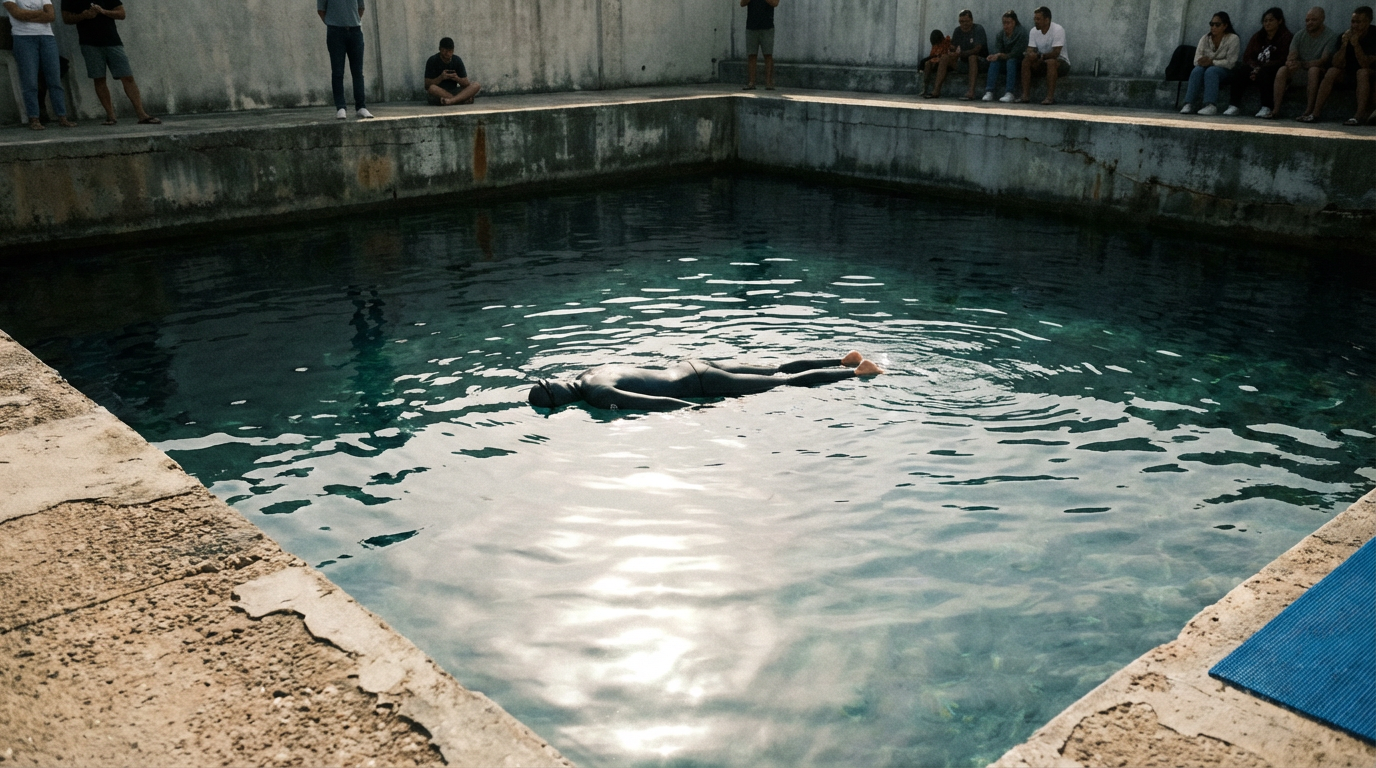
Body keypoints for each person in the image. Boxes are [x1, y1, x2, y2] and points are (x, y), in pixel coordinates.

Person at [528, 351, 883, 411]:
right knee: (775, 369)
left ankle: (855, 372)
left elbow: (659, 404)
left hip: (699, 386)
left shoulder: (597, 396)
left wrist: (696, 411)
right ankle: (842, 358)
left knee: (784, 384)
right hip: (691, 364)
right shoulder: (587, 373)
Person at [60, 0, 158, 125]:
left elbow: (121, 14)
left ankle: (142, 114)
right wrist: (84, 15)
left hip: (113, 42)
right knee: (99, 79)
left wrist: (103, 11)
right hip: (89, 44)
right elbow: (66, 18)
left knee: (127, 77)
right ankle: (111, 116)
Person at [3, 0, 75, 129]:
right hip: (23, 37)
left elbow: (51, 16)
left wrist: (28, 14)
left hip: (47, 37)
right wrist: (41, 13)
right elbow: (17, 14)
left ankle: (62, 117)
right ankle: (34, 118)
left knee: (54, 80)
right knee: (29, 81)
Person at [1308, 6, 1375, 123]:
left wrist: (1356, 45)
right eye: (1353, 21)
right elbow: (1336, 63)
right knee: (1332, 71)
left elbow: (1365, 64)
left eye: (1359, 22)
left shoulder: (1374, 36)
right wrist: (1344, 45)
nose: (1354, 25)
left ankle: (1359, 115)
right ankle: (1315, 113)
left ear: (1368, 22)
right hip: (1349, 73)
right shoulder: (1344, 35)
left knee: (1362, 72)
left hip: (1370, 75)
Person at [1275, 7, 1339, 120]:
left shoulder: (1331, 36)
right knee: (1282, 70)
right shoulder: (1299, 35)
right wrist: (1291, 62)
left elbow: (1323, 60)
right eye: (1307, 20)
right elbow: (1292, 54)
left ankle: (1309, 110)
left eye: (1313, 20)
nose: (1309, 23)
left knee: (1313, 70)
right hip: (1300, 71)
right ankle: (1275, 110)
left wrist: (1301, 64)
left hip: (1318, 73)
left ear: (1322, 19)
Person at [317, 0, 372, 120]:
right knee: (337, 72)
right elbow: (321, 10)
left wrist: (353, 21)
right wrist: (333, 23)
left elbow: (361, 7)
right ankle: (340, 107)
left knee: (358, 72)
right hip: (335, 32)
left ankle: (361, 107)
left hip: (355, 31)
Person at [1180, 12, 1240, 115]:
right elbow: (1196, 60)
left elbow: (1230, 63)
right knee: (1197, 70)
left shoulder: (1233, 39)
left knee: (1211, 71)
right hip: (1206, 68)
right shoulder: (1205, 38)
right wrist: (1203, 62)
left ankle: (1210, 105)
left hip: (1226, 71)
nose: (1213, 27)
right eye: (1211, 24)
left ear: (1225, 25)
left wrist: (1212, 62)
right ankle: (1189, 103)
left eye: (1217, 24)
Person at [1237, 8, 1293, 117]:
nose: (1267, 23)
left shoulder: (1286, 37)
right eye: (1265, 21)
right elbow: (1247, 56)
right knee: (1241, 71)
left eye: (1271, 20)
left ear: (1280, 21)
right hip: (1257, 67)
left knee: (1265, 73)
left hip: (1273, 69)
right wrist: (1255, 67)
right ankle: (1234, 105)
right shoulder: (1258, 36)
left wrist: (1261, 68)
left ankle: (1266, 107)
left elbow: (1283, 59)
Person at [926, 9, 987, 100]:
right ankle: (936, 90)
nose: (964, 24)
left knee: (972, 57)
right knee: (945, 57)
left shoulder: (978, 29)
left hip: (980, 63)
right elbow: (953, 47)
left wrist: (960, 54)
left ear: (972, 20)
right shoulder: (957, 31)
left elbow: (977, 49)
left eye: (966, 21)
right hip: (963, 62)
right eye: (961, 21)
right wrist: (952, 52)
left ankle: (971, 92)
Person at [1020, 6, 1070, 104]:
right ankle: (1025, 96)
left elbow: (1056, 53)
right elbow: (1030, 49)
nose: (1035, 21)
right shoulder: (1033, 31)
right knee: (1026, 61)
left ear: (1047, 20)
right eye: (1035, 19)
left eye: (1038, 19)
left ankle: (1049, 98)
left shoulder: (1058, 30)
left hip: (1061, 63)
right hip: (1042, 61)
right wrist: (1030, 54)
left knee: (1051, 62)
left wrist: (1040, 56)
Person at [984, 10, 1028, 101]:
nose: (1006, 26)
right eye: (1004, 23)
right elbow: (997, 50)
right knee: (994, 62)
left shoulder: (1021, 33)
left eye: (1008, 23)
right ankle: (989, 92)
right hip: (1005, 61)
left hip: (1018, 63)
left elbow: (1016, 53)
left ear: (1014, 22)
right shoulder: (1001, 34)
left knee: (1011, 61)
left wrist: (1000, 55)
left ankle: (1009, 93)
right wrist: (994, 56)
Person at [424, 37, 480, 106]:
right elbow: (427, 86)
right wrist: (441, 77)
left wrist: (457, 78)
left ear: (453, 51)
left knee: (476, 85)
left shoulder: (457, 60)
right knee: (432, 88)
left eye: (450, 51)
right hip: (439, 91)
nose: (447, 53)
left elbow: (466, 84)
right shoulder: (432, 60)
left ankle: (451, 101)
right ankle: (460, 100)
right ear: (440, 49)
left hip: (454, 90)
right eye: (444, 50)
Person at [741, 0, 780, 91]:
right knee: (752, 55)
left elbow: (775, 3)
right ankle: (751, 82)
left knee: (768, 54)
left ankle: (769, 83)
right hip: (751, 27)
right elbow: (742, 3)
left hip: (767, 27)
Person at [921, 29, 953, 96]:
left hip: (946, 63)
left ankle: (936, 90)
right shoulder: (935, 45)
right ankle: (924, 88)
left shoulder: (947, 42)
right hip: (936, 62)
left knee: (942, 60)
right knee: (927, 64)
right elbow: (932, 56)